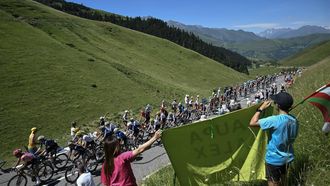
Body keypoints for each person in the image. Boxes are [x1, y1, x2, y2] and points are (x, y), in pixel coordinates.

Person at [249, 92, 299, 186]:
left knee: (273, 183)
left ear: (278, 105)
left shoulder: (274, 120)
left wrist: (261, 109)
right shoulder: (294, 120)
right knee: (283, 181)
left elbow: (252, 123)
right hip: (287, 157)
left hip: (274, 159)